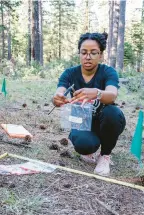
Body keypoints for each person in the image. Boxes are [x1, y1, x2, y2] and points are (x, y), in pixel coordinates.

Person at [52, 32, 126, 176]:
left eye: (93, 52)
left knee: (113, 113)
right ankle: (89, 149)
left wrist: (97, 93)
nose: (88, 56)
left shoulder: (108, 72)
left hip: (105, 121)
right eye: (84, 52)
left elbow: (112, 94)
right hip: (82, 122)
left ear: (101, 55)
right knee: (84, 145)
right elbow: (60, 90)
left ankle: (104, 156)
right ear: (79, 53)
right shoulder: (70, 73)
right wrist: (57, 98)